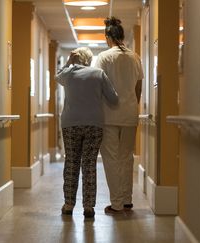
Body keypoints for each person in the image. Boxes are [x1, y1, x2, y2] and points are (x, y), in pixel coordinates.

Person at [55, 47, 119, 218]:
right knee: (89, 165)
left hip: (70, 124)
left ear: (76, 59)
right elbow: (113, 99)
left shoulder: (68, 73)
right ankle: (89, 207)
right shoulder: (98, 74)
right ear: (89, 60)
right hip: (93, 124)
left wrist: (68, 62)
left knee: (71, 163)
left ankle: (68, 204)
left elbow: (57, 76)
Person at [95, 16, 144, 214]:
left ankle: (116, 203)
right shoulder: (135, 57)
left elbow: (98, 85)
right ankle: (127, 200)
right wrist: (133, 105)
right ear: (122, 36)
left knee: (111, 158)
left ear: (108, 37)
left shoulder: (104, 57)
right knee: (127, 157)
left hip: (109, 115)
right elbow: (138, 87)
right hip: (130, 114)